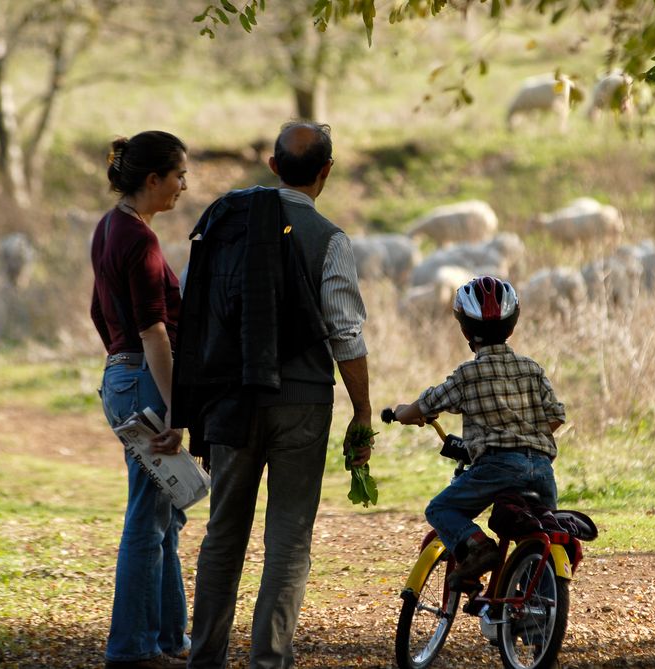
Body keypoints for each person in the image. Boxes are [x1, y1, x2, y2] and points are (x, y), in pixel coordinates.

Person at [173, 121, 373, 669]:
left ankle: (205, 658)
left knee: (223, 532)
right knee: (288, 539)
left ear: (274, 166)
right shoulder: (330, 240)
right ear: (325, 173)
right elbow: (346, 334)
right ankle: (269, 661)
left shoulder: (224, 222)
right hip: (303, 405)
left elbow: (191, 305)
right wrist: (362, 410)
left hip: (231, 401)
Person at [390, 276, 565, 591]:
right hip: (541, 470)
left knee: (440, 508)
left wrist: (403, 413)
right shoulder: (532, 369)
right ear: (512, 326)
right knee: (539, 534)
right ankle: (535, 606)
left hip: (496, 468)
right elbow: (556, 416)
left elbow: (427, 403)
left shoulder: (468, 375)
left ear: (465, 331)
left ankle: (479, 548)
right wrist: (523, 435)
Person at [90, 130, 191, 669]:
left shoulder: (109, 227)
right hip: (145, 380)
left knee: (164, 514)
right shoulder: (140, 240)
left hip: (118, 377)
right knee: (147, 519)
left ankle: (169, 640)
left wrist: (120, 370)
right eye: (177, 176)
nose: (182, 186)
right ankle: (131, 649)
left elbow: (96, 312)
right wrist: (178, 412)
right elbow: (155, 333)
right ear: (152, 179)